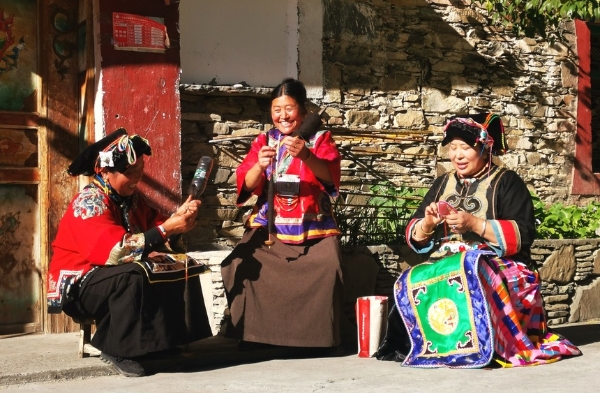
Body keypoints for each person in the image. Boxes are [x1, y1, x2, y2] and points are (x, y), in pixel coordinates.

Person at [375, 113, 580, 368]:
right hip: (449, 262)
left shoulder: (507, 182)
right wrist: (427, 224)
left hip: (500, 263)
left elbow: (523, 234)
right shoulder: (442, 184)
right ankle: (428, 345)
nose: (457, 155)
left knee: (472, 271)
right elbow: (416, 236)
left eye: (465, 148)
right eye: (453, 148)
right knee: (409, 278)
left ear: (485, 148)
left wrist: (475, 224)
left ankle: (478, 346)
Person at [47, 128, 212, 377]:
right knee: (134, 274)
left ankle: (164, 341)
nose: (138, 177)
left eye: (140, 169)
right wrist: (167, 229)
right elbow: (117, 252)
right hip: (81, 285)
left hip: (112, 275)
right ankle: (115, 347)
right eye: (130, 172)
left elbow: (158, 232)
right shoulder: (89, 202)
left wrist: (180, 221)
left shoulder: (133, 200)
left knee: (178, 265)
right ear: (104, 171)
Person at [221, 78, 344, 351]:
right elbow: (247, 183)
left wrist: (307, 156)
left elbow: (330, 177)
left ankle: (314, 340)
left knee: (328, 266)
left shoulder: (319, 138)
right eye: (277, 109)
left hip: (313, 224)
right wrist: (259, 165)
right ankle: (255, 335)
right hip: (270, 224)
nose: (282, 116)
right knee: (238, 263)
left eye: (289, 108)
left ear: (302, 109)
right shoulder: (264, 140)